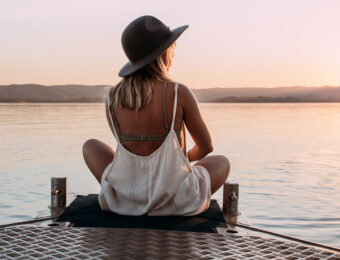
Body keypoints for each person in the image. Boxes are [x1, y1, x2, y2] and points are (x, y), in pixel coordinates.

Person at [82, 15, 230, 216]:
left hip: (126, 200)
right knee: (222, 162)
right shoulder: (178, 93)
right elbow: (206, 147)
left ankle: (131, 194)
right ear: (163, 54)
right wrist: (180, 159)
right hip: (178, 201)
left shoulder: (112, 98)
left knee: (90, 146)